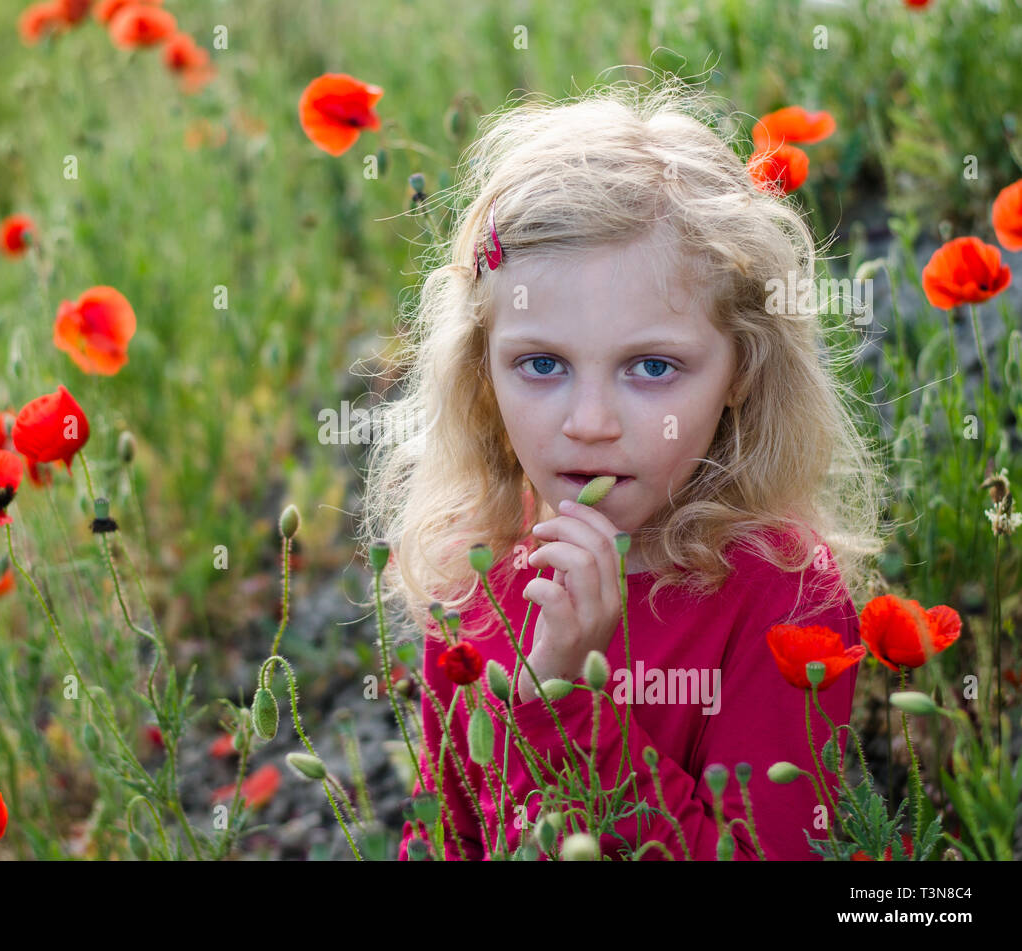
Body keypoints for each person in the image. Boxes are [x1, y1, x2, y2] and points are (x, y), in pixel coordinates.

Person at [353, 80, 889, 860]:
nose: (591, 422)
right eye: (541, 363)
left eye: (651, 367)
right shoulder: (475, 579)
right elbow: (450, 835)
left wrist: (565, 699)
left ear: (743, 370)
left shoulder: (782, 597)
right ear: (480, 372)